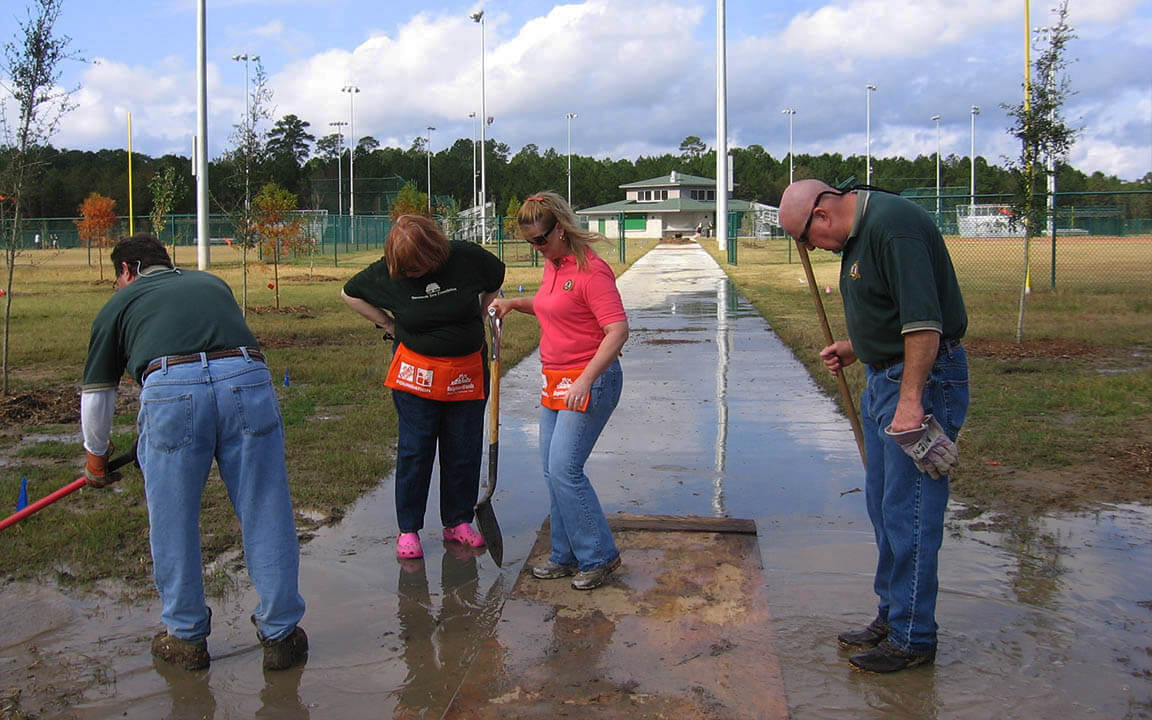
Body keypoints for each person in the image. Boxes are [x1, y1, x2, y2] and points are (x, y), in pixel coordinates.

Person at [80, 234, 307, 672]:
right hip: (247, 376)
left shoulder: (118, 304)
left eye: (117, 277)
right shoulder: (211, 283)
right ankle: (282, 636)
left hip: (171, 388)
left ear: (127, 270)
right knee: (266, 508)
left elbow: (97, 394)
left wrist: (95, 458)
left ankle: (185, 640)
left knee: (173, 518)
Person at [779, 179, 970, 673]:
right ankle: (892, 615)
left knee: (911, 513)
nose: (810, 250)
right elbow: (888, 312)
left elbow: (924, 323)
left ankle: (913, 638)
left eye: (806, 240)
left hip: (921, 383)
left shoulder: (893, 226)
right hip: (884, 377)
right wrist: (855, 345)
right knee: (885, 506)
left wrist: (910, 402)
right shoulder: (862, 236)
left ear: (820, 217)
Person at [341, 214, 505, 561]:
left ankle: (457, 521)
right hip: (416, 373)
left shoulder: (466, 257)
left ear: (434, 254)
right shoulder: (388, 271)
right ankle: (408, 529)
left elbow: (496, 275)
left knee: (462, 449)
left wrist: (483, 309)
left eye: (416, 267)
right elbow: (350, 293)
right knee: (415, 451)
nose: (410, 274)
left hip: (466, 371)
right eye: (405, 269)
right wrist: (387, 323)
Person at [489, 191, 629, 591]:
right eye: (529, 241)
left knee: (566, 470)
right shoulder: (555, 266)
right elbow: (555, 306)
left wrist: (585, 378)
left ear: (562, 230)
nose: (536, 248)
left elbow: (617, 330)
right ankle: (565, 555)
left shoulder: (593, 272)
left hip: (591, 381)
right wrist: (515, 303)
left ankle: (598, 556)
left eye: (540, 240)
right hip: (555, 382)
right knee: (552, 471)